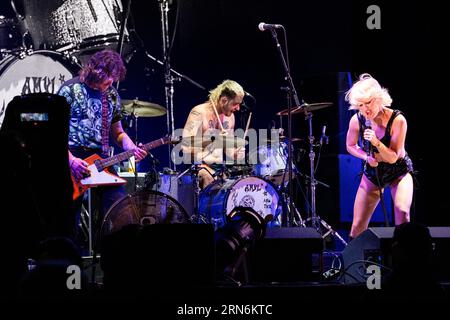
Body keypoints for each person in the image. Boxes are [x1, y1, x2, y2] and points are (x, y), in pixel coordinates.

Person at [58, 49, 147, 247]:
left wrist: (130, 146)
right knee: (67, 219)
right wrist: (71, 160)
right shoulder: (69, 90)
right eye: (108, 78)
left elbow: (118, 132)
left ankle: (112, 256)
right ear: (96, 71)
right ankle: (68, 262)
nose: (111, 83)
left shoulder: (112, 95)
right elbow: (55, 133)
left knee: (119, 208)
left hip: (100, 160)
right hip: (72, 157)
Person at [345, 74, 414, 239]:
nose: (365, 109)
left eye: (368, 103)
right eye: (360, 105)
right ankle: (356, 264)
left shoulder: (398, 120)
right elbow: (350, 145)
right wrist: (365, 157)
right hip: (373, 171)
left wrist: (376, 142)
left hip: (398, 170)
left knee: (402, 213)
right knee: (357, 228)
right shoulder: (357, 120)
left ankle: (403, 258)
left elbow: (393, 157)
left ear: (378, 98)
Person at [181, 79, 246, 189]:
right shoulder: (199, 112)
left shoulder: (230, 117)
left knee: (237, 184)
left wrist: (235, 153)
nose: (238, 108)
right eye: (235, 104)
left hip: (219, 169)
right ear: (224, 100)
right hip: (198, 166)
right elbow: (185, 147)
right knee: (210, 180)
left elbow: (228, 149)